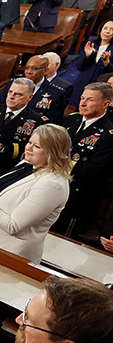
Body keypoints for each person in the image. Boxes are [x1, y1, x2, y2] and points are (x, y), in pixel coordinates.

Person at [0, 123, 71, 262]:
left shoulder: (53, 185)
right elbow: (2, 188)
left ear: (54, 152)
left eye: (37, 146)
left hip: (8, 253)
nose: (28, 148)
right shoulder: (27, 164)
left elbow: (13, 225)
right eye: (29, 142)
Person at [52, 82, 113, 238]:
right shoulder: (72, 120)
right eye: (82, 98)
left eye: (90, 100)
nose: (83, 103)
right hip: (52, 186)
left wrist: (57, 161)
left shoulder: (108, 134)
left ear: (105, 104)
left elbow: (92, 172)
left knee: (59, 239)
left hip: (77, 197)